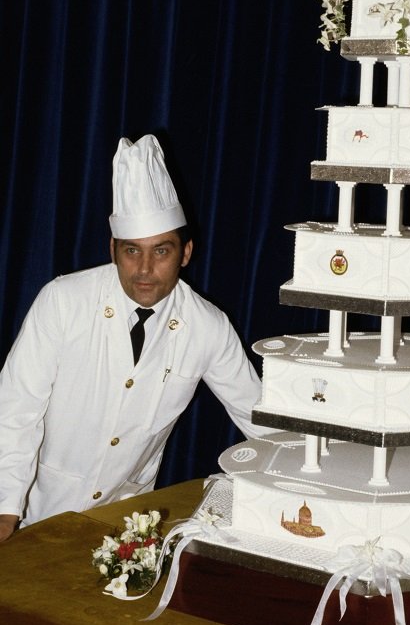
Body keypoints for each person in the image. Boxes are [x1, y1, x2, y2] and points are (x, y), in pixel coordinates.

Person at [0, 135, 270, 542]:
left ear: (186, 252)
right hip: (37, 511)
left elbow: (259, 417)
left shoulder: (208, 326)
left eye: (161, 251)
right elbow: (16, 410)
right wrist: (5, 507)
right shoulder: (63, 300)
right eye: (131, 251)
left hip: (126, 523)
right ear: (113, 249)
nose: (144, 269)